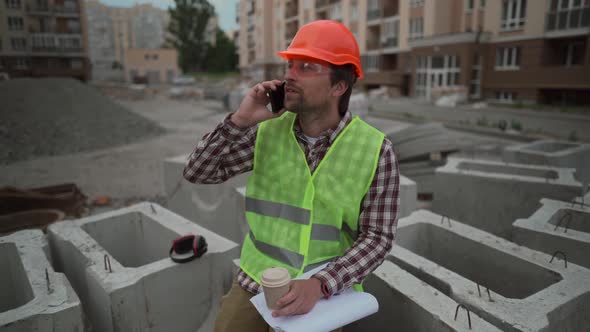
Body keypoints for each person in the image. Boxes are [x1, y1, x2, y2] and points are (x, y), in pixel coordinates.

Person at [183, 20, 400, 332]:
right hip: (256, 282)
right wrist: (240, 120)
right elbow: (197, 171)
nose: (289, 75)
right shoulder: (266, 132)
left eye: (307, 67)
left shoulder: (377, 151)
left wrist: (321, 284)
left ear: (339, 86)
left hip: (324, 297)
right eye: (291, 65)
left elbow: (378, 238)